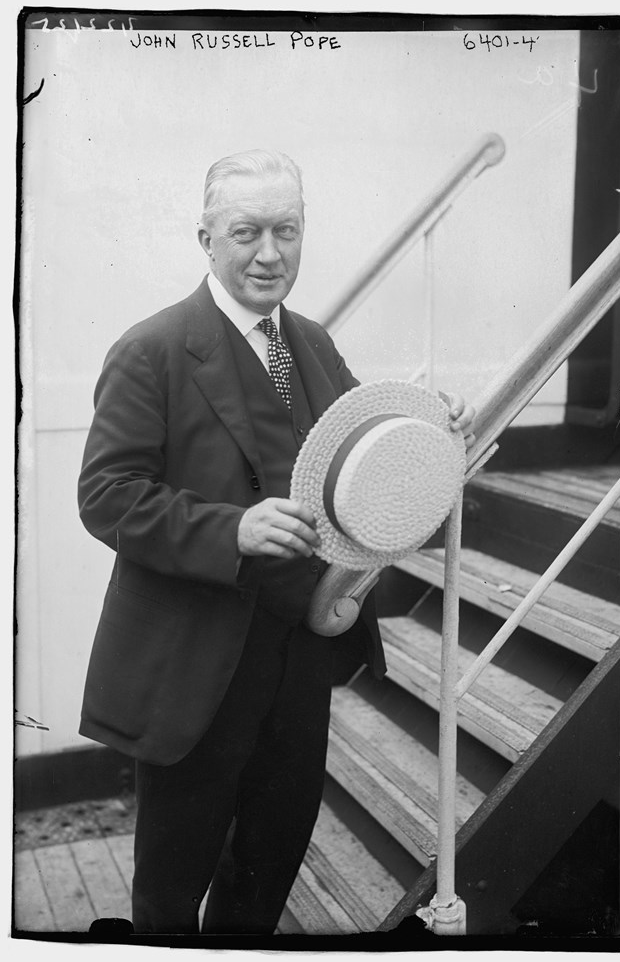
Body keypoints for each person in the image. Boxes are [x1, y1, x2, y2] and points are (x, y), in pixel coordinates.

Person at [78, 149, 476, 935]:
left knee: (267, 866)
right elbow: (105, 494)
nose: (269, 252)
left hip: (298, 655)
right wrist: (233, 528)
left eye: (286, 230)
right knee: (170, 889)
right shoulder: (152, 351)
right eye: (246, 231)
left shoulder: (313, 344)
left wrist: (433, 425)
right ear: (206, 238)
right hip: (196, 666)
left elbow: (358, 461)